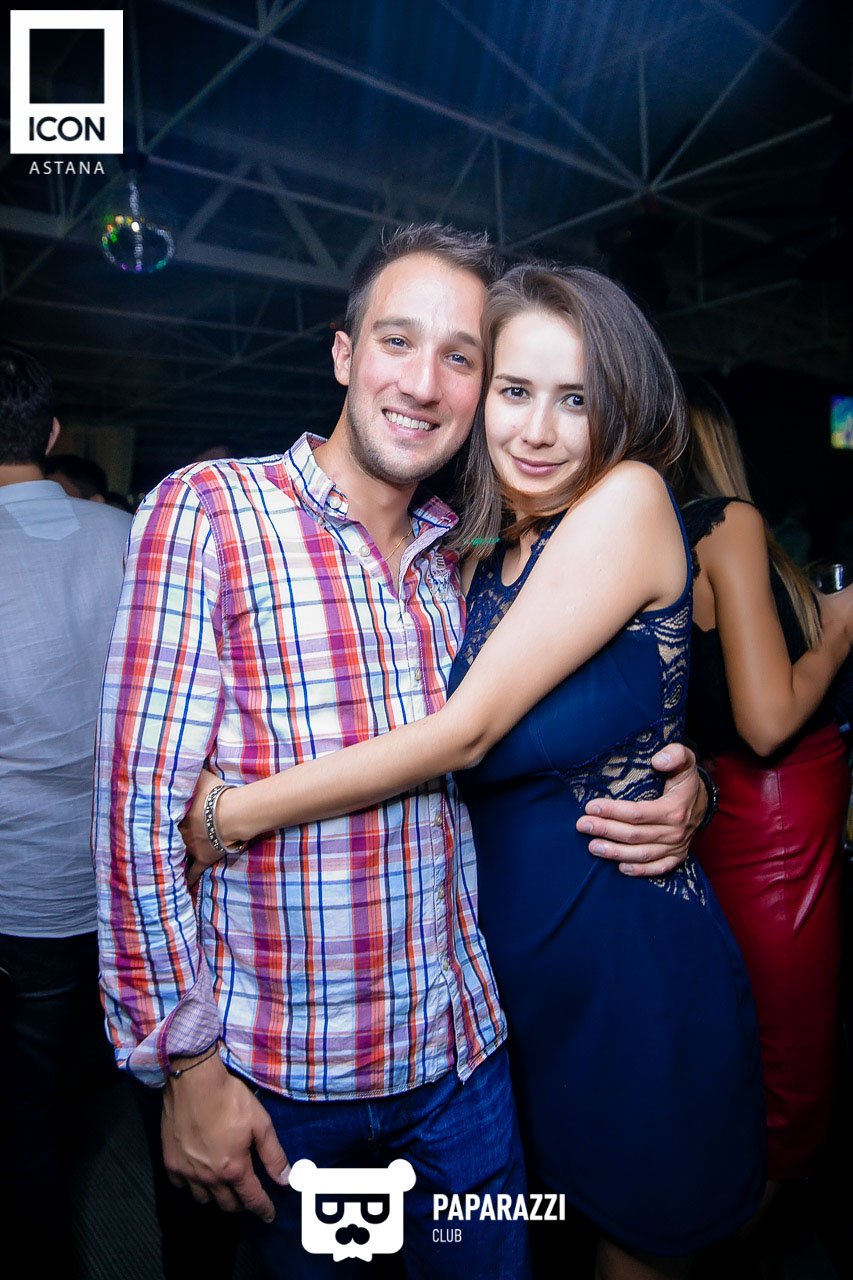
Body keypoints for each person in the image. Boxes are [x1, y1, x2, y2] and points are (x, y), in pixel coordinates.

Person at [94, 226, 708, 1280]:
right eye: (396, 341)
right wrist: (185, 1064)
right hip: (292, 1076)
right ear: (343, 353)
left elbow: (518, 732)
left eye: (460, 357)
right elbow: (132, 820)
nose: (423, 383)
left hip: (464, 1056)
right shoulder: (210, 512)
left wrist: (684, 776)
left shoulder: (454, 555)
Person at [676, 385, 853, 1190]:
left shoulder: (661, 543)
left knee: (753, 1046)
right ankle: (730, 1234)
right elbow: (766, 721)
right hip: (773, 821)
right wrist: (839, 631)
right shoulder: (725, 522)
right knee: (792, 1073)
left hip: (741, 814)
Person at [0, 345, 132, 1269]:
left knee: (25, 1114)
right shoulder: (126, 536)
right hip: (127, 875)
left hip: (18, 882)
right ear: (52, 433)